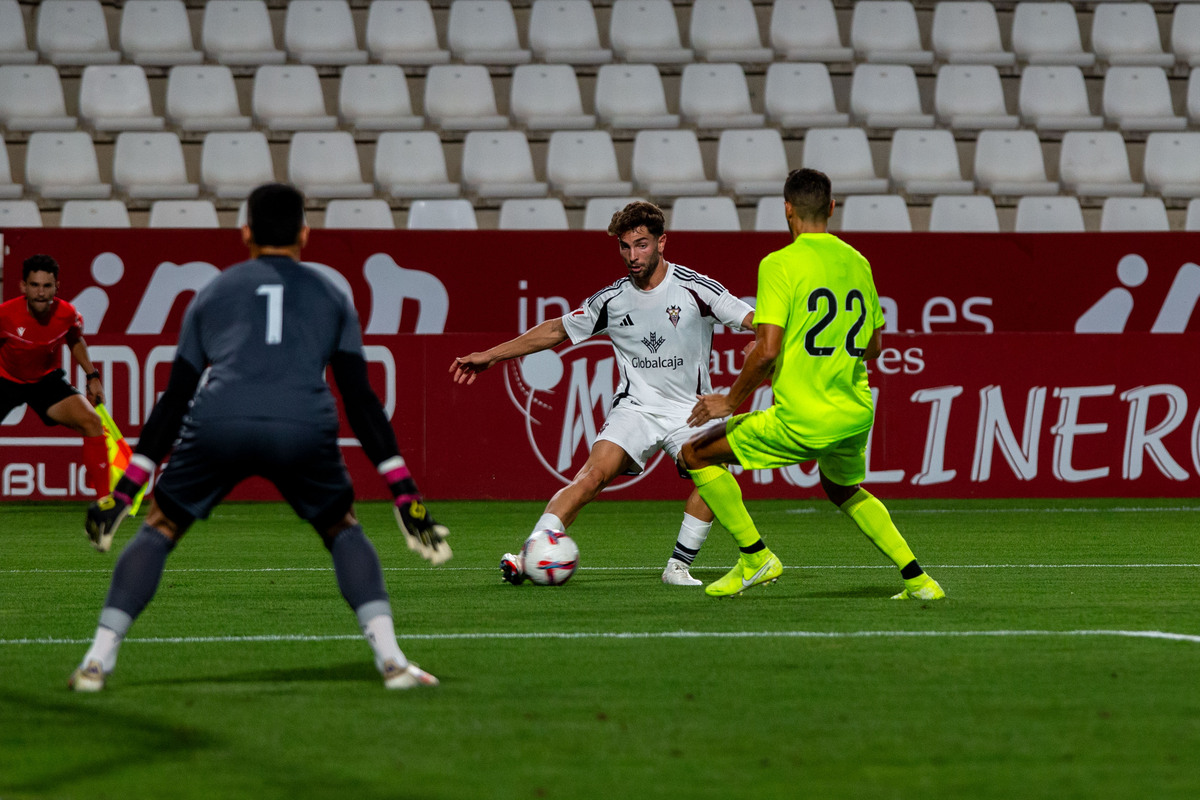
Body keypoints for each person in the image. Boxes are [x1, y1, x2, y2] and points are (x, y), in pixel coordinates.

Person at [70, 183, 452, 692]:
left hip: (219, 421)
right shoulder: (332, 294)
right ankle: (392, 661)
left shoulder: (212, 292)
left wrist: (126, 491)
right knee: (342, 527)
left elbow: (174, 399)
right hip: (302, 423)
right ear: (305, 234)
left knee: (160, 526)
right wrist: (404, 491)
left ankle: (97, 661)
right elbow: (361, 402)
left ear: (246, 233)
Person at [450, 201, 754, 586]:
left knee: (715, 479)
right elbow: (556, 330)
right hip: (636, 408)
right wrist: (491, 356)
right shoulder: (611, 300)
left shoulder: (696, 288)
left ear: (663, 242)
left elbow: (753, 320)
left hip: (689, 410)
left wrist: (760, 340)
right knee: (592, 475)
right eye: (625, 247)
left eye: (641, 245)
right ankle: (532, 551)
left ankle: (677, 567)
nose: (632, 256)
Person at [680, 168, 945, 600]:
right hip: (855, 411)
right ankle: (919, 580)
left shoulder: (780, 264)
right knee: (842, 487)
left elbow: (765, 350)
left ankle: (755, 556)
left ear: (787, 210)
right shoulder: (857, 261)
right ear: (832, 208)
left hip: (804, 416)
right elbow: (874, 345)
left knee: (694, 453)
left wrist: (730, 400)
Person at [1, 255, 111, 519]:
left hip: (45, 382)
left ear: (57, 287)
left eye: (47, 286)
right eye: (35, 285)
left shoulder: (68, 315)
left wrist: (92, 376)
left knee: (92, 422)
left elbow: (75, 341)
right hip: (5, 380)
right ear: (23, 287)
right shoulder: (5, 315)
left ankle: (106, 504)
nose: (41, 292)